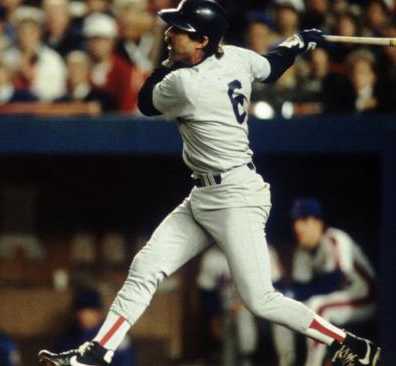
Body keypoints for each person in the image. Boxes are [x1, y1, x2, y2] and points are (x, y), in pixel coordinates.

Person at [37, 1, 381, 366]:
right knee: (146, 266)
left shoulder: (187, 84)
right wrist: (296, 44)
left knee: (260, 299)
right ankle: (97, 353)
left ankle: (352, 344)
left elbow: (144, 101)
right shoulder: (236, 57)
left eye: (179, 31)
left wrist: (168, 61)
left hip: (236, 196)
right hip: (204, 193)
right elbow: (274, 65)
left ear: (201, 40)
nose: (168, 35)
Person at [273, 198, 377, 366]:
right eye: (295, 220)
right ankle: (286, 361)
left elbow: (332, 282)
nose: (298, 226)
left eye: (304, 219)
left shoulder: (335, 238)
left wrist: (292, 292)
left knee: (318, 306)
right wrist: (283, 293)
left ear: (318, 222)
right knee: (284, 308)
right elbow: (300, 287)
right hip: (338, 300)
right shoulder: (302, 250)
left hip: (365, 298)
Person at [198, 245, 283, 366]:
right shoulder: (212, 257)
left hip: (259, 314)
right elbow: (207, 293)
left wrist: (245, 304)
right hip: (227, 314)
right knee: (229, 354)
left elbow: (276, 289)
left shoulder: (262, 249)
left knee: (244, 318)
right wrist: (214, 318)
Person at [55, 289, 135, 366]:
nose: (85, 315)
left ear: (99, 312)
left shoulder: (115, 332)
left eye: (90, 310)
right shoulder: (69, 336)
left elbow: (126, 362)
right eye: (82, 310)